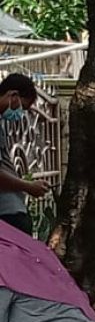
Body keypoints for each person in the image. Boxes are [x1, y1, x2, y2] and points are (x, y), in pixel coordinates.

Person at [0, 73, 46, 235]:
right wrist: (28, 186)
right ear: (13, 95)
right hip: (6, 214)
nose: (20, 114)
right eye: (22, 107)